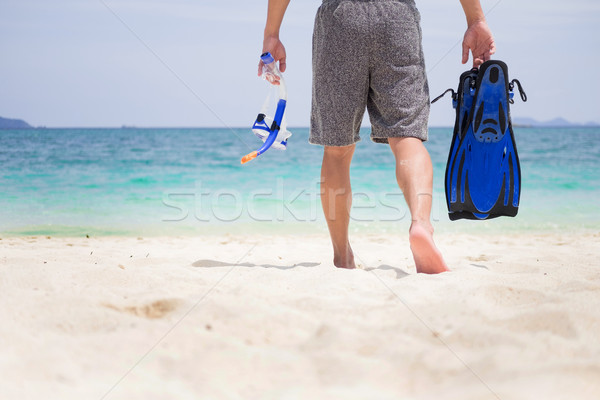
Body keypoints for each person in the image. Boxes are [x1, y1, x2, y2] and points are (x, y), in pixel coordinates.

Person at [259, 0, 496, 273]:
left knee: (337, 148)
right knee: (407, 136)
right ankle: (420, 223)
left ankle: (342, 256)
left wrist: (272, 33)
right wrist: (476, 20)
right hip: (397, 18)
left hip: (340, 20)